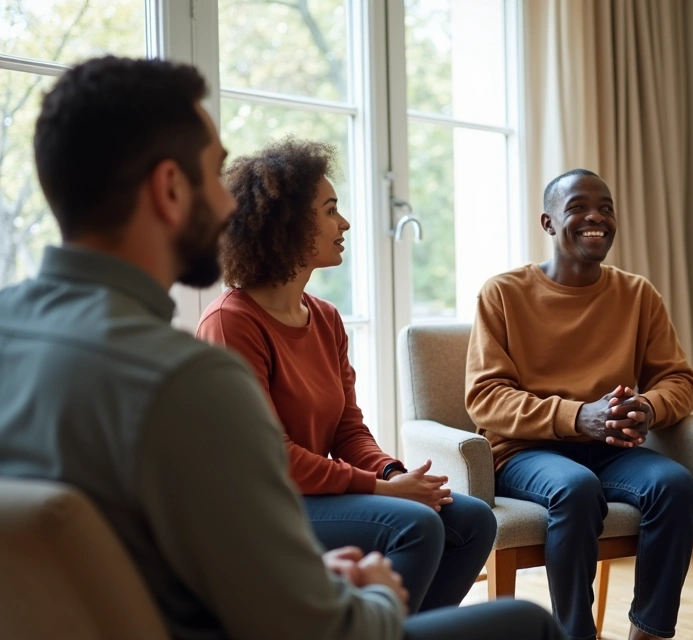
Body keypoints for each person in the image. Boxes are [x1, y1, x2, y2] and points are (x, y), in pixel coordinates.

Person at [0, 55, 564, 640]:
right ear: (170, 188)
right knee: (526, 624)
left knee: (461, 525)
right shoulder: (183, 379)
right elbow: (315, 626)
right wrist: (372, 593)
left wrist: (316, 564)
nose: (227, 208)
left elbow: (171, 547)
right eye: (212, 176)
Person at [196, 137, 496, 614]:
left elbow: (348, 429)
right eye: (331, 210)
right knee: (414, 525)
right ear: (288, 225)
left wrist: (394, 473)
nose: (345, 223)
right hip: (260, 510)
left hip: (319, 496)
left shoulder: (327, 318)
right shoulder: (231, 323)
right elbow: (272, 458)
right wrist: (380, 489)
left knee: (473, 519)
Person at [465, 169, 693, 640]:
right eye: (577, 207)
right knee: (575, 489)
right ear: (548, 222)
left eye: (606, 208)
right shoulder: (503, 293)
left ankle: (648, 632)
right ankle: (576, 634)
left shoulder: (638, 294)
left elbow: (679, 380)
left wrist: (648, 408)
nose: (596, 217)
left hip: (612, 448)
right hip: (525, 450)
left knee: (675, 486)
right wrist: (578, 416)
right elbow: (484, 398)